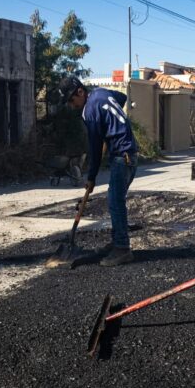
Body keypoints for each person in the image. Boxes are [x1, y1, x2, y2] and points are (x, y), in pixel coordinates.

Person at [58, 75, 139, 267]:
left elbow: (94, 146)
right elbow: (121, 98)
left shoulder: (90, 110)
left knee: (115, 202)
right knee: (115, 201)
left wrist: (92, 176)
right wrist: (109, 122)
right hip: (130, 155)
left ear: (80, 91)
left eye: (72, 100)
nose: (72, 105)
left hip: (122, 156)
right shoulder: (101, 94)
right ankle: (118, 240)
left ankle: (122, 249)